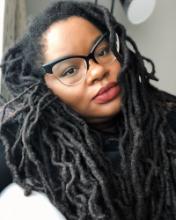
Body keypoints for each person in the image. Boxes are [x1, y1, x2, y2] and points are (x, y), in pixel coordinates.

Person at [0, 1, 176, 219]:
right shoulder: (23, 148)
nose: (97, 71)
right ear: (43, 89)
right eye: (71, 70)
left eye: (102, 51)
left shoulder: (167, 121)